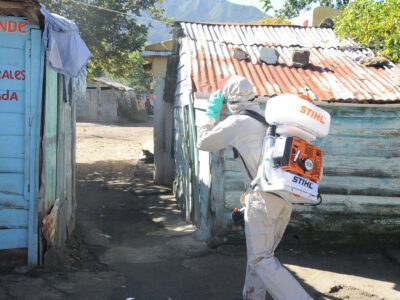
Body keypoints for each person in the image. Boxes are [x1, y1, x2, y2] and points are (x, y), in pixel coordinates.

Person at [197, 75, 312, 300]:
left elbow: (204, 143)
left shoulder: (237, 122)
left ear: (230, 101)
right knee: (259, 259)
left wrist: (210, 115)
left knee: (261, 260)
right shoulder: (271, 121)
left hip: (262, 200)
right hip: (283, 200)